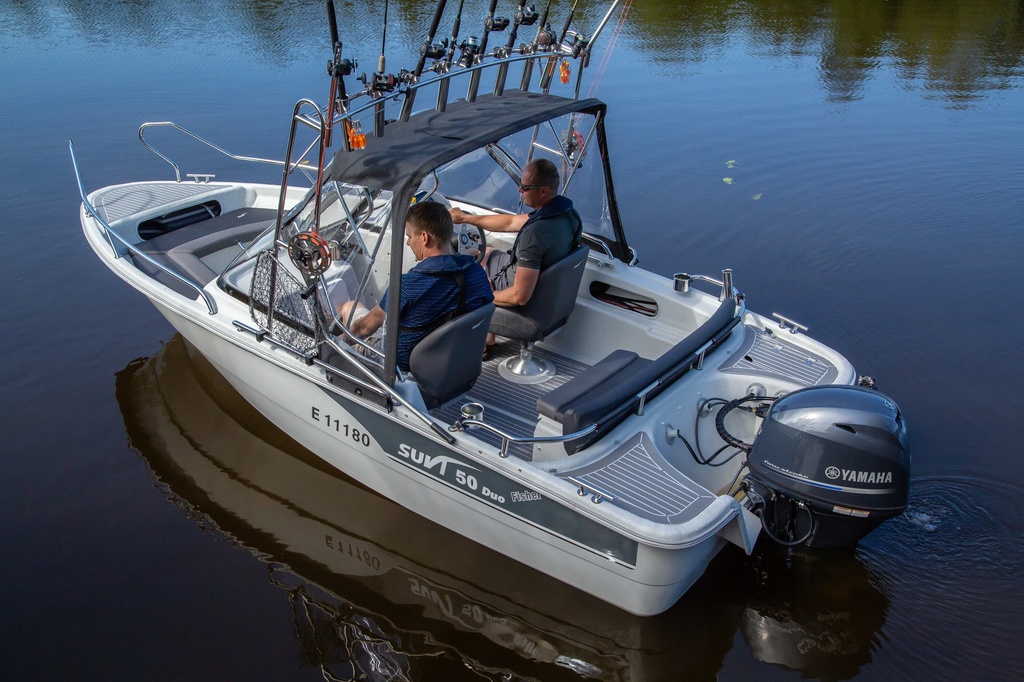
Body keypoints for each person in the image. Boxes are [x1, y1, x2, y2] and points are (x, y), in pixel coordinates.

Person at [340, 201, 493, 372]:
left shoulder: (407, 286)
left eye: (410, 236)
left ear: (424, 237)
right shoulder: (476, 273)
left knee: (348, 308)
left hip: (399, 365)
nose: (408, 243)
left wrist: (330, 343)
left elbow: (364, 328)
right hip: (450, 360)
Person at [450, 158, 582, 309]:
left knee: (458, 283)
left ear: (543, 191)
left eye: (525, 187)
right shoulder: (568, 215)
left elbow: (519, 297)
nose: (519, 190)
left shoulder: (534, 235)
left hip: (512, 290)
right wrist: (465, 218)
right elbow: (510, 222)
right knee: (483, 252)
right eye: (520, 183)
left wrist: (487, 293)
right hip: (538, 282)